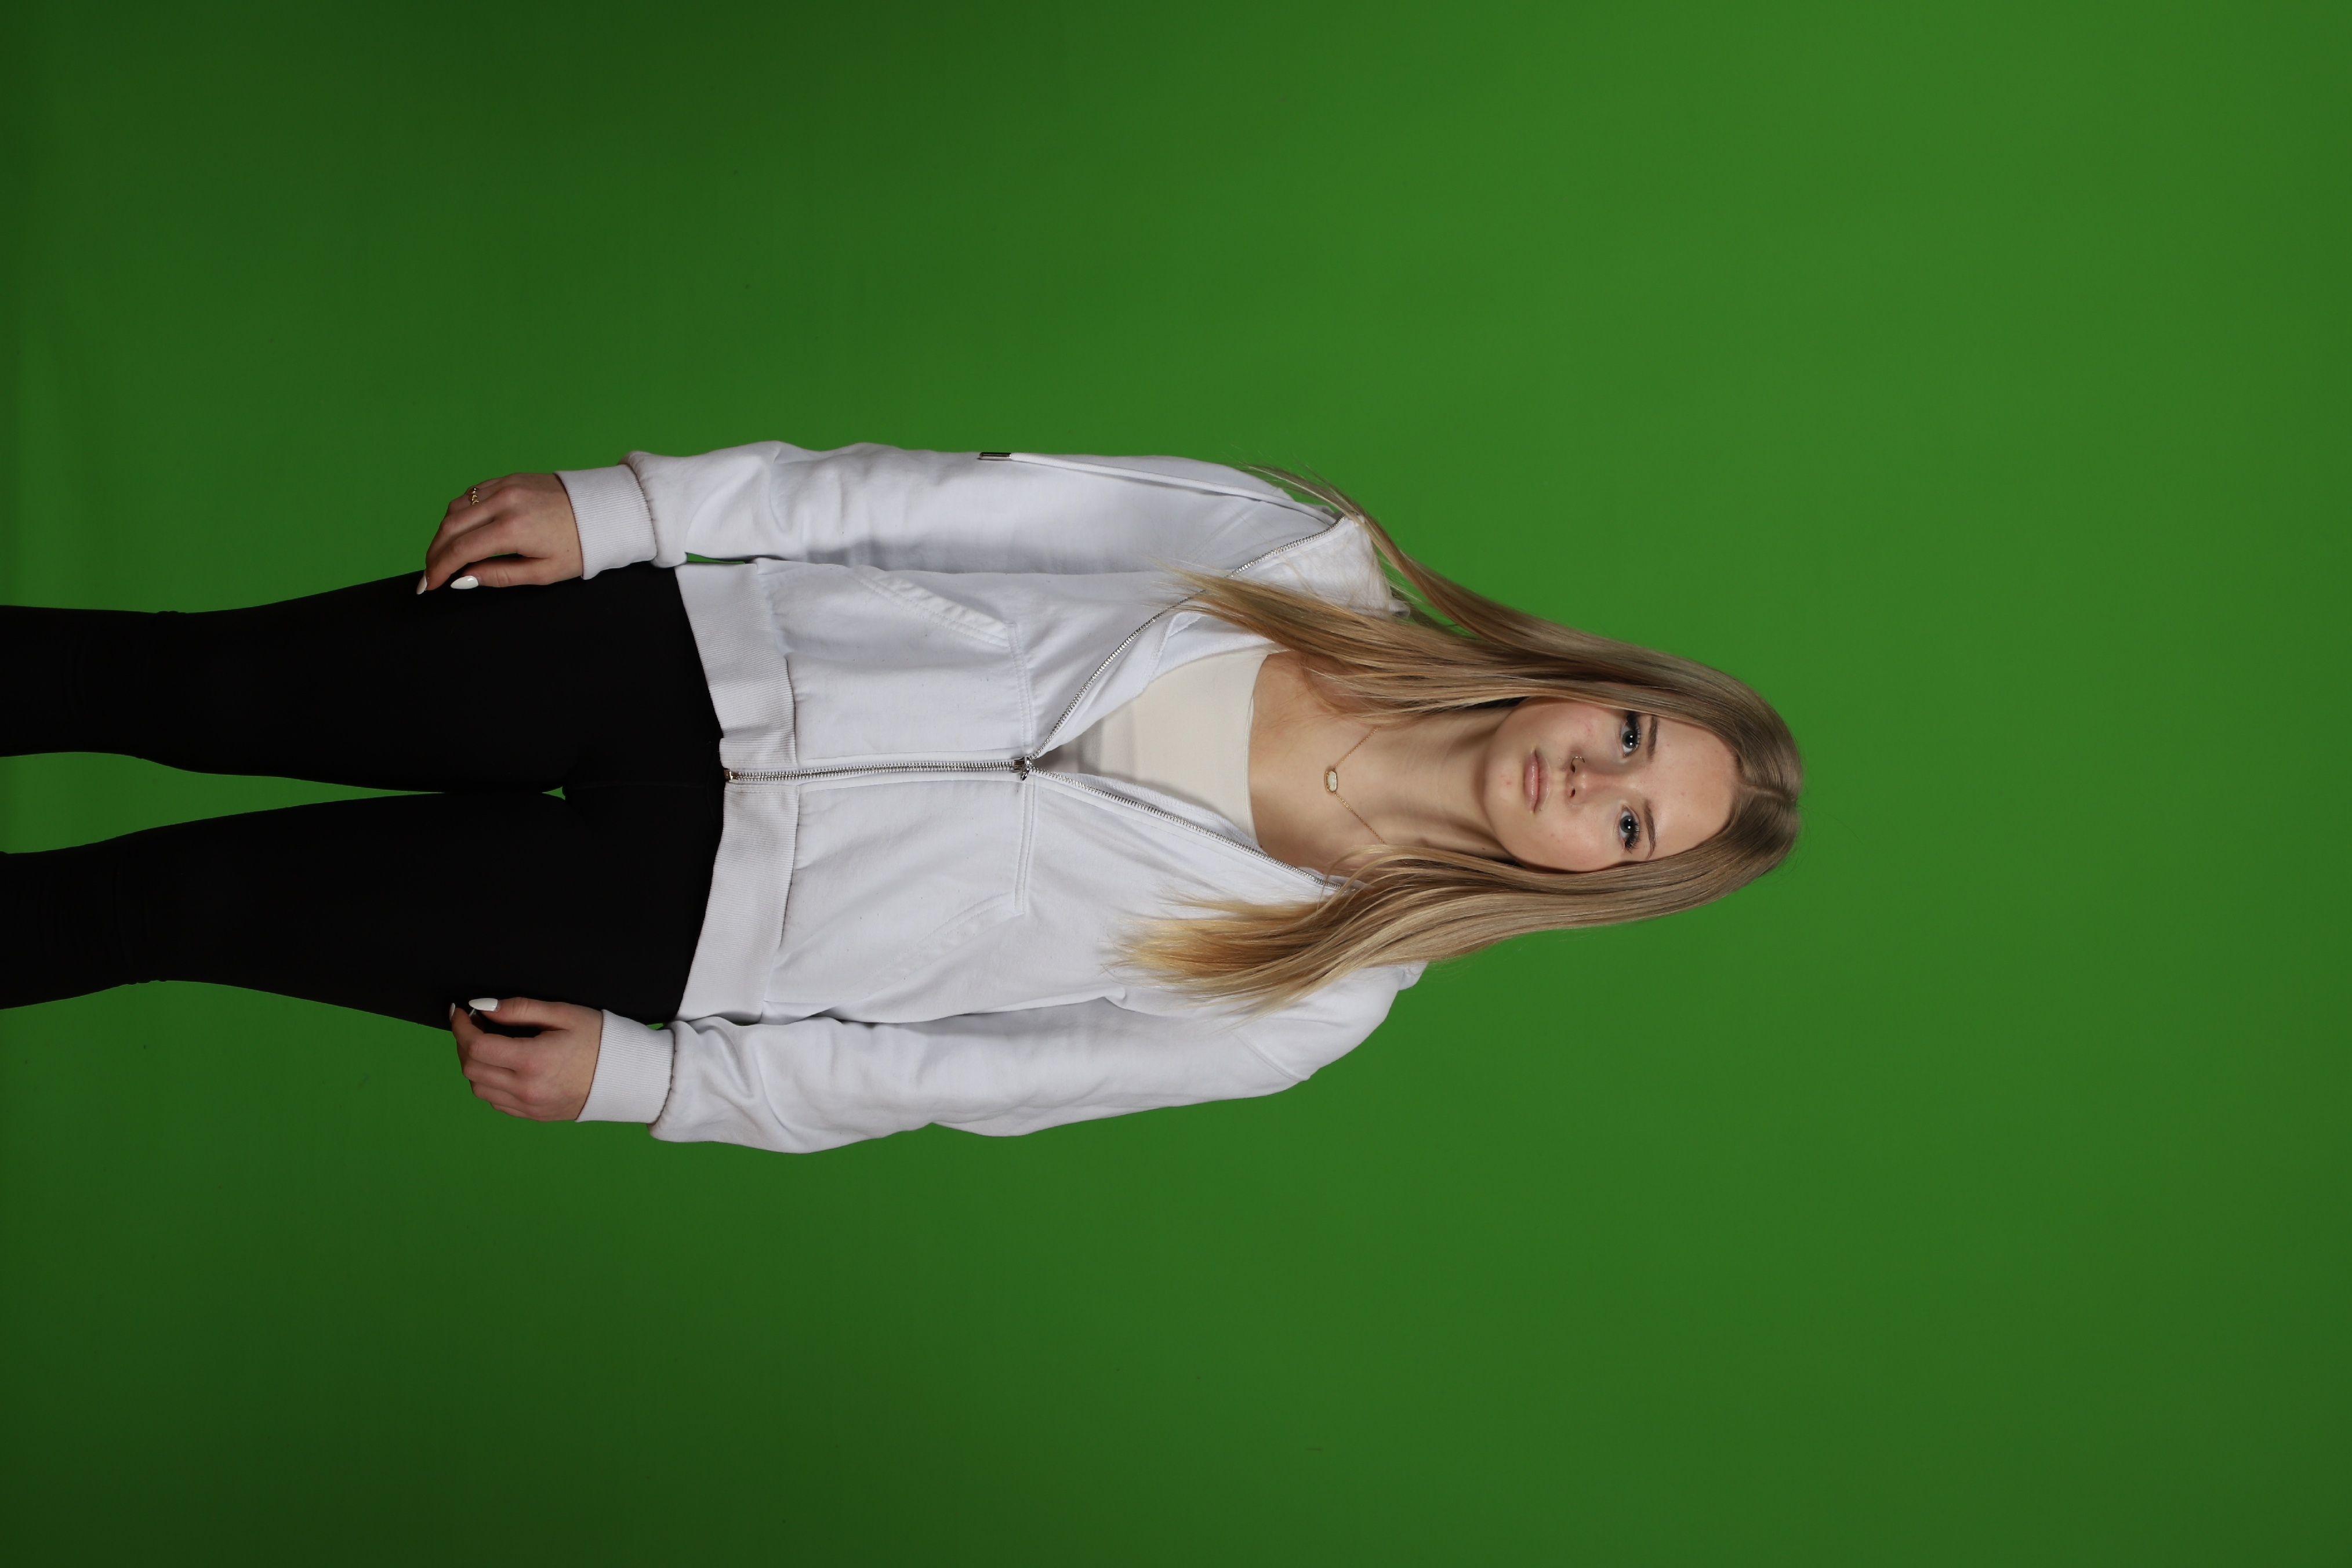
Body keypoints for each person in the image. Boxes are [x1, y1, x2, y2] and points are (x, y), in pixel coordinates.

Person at [0, 442, 1802, 1153]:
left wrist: (666, 1083)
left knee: (173, 906)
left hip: (676, 930)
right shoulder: (1292, 556)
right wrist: (638, 511)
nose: (1594, 779)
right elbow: (936, 499)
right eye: (1631, 734)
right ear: (1591, 676)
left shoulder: (1310, 1001)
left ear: (1600, 881)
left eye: (1629, 822)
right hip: (669, 656)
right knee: (184, 686)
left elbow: (953, 1081)